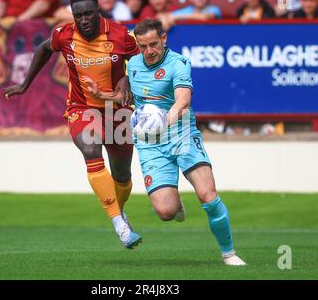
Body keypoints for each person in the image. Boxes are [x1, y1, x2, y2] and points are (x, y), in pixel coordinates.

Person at [83, 19, 246, 266]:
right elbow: (124, 96)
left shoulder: (179, 63)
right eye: (143, 46)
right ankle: (176, 203)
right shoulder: (134, 64)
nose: (149, 51)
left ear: (164, 39)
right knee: (166, 212)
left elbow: (182, 102)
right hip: (150, 144)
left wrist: (161, 122)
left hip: (181, 134)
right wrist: (101, 95)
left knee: (207, 195)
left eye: (154, 44)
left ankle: (229, 253)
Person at [2, 0, 142, 249]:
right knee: (90, 149)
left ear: (98, 9)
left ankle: (120, 210)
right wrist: (25, 83)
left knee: (122, 175)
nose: (84, 19)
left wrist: (125, 79)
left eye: (89, 13)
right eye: (78, 15)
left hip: (117, 109)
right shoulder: (63, 34)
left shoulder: (121, 35)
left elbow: (138, 62)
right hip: (82, 107)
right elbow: (44, 49)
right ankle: (119, 225)